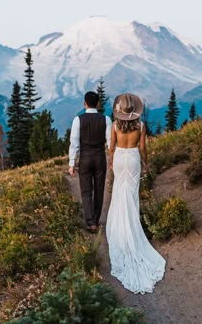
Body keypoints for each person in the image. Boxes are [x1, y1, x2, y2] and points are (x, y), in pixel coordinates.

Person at [106, 93, 166, 294]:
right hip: (133, 160)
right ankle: (133, 231)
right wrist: (146, 163)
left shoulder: (114, 126)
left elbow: (111, 148)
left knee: (119, 194)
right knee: (131, 196)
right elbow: (142, 148)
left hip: (120, 160)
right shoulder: (140, 127)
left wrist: (111, 162)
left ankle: (120, 233)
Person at [69, 91, 112, 233]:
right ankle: (96, 218)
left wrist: (71, 163)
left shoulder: (78, 120)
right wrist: (113, 159)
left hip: (85, 158)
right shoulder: (106, 119)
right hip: (100, 157)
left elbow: (74, 143)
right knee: (99, 189)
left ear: (84, 103)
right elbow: (110, 143)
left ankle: (90, 222)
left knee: (86, 190)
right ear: (98, 104)